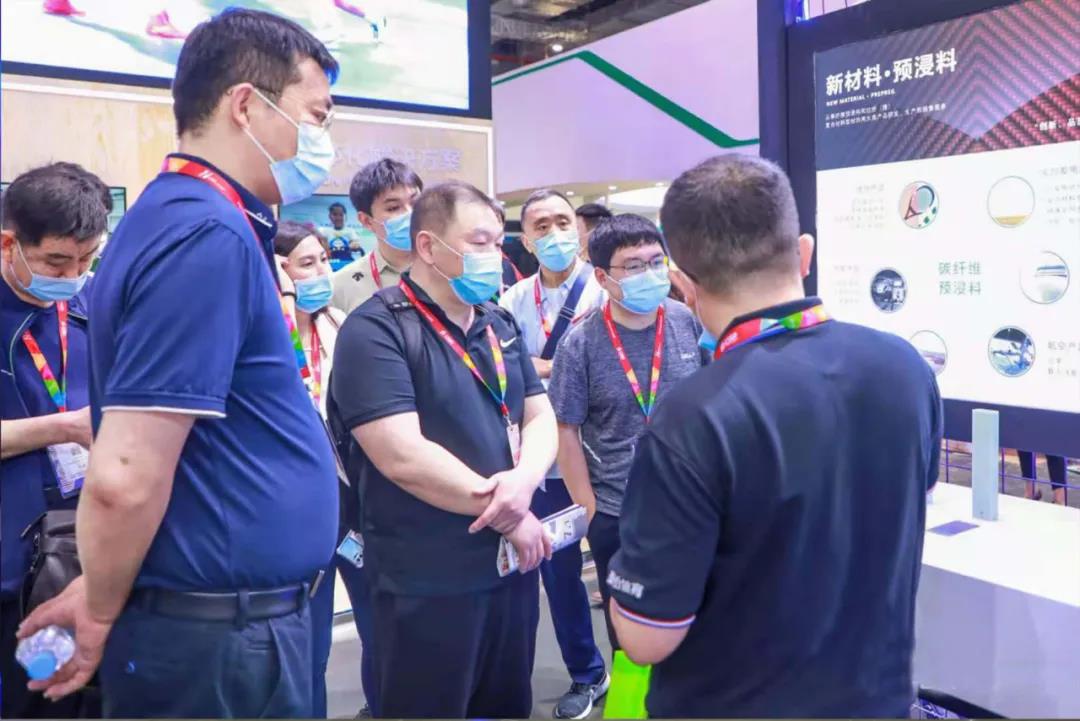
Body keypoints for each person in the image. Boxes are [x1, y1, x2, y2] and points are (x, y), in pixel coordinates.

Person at [17, 10, 341, 718]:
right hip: (218, 642)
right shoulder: (202, 231)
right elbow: (126, 474)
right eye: (316, 116)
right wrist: (100, 608)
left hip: (225, 626)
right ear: (246, 105)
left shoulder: (194, 219)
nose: (324, 139)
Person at [606, 155, 943, 718]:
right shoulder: (905, 367)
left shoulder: (694, 415)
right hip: (878, 700)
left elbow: (646, 638)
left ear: (682, 285)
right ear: (804, 252)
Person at [330, 181, 558, 718]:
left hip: (508, 568)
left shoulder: (496, 323)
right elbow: (402, 456)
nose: (493, 256)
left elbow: (539, 415)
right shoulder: (376, 330)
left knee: (507, 704)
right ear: (429, 247)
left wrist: (523, 482)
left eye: (497, 242)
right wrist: (508, 512)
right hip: (426, 579)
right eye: (479, 243)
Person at [547, 213, 705, 665]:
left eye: (656, 262)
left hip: (690, 506)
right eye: (634, 266)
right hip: (618, 512)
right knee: (631, 641)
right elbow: (566, 429)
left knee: (698, 628)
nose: (649, 274)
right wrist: (590, 510)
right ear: (603, 277)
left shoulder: (686, 322)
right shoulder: (580, 343)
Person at [0, 162, 110, 720]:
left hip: (85, 557)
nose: (73, 276)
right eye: (57, 262)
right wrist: (65, 427)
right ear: (8, 245)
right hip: (13, 570)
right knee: (28, 699)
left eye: (87, 260)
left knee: (80, 699)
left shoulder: (92, 308)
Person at [499, 189, 608, 719]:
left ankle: (649, 676)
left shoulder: (605, 292)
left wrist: (539, 368)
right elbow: (506, 374)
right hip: (540, 463)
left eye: (563, 222)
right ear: (526, 240)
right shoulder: (512, 301)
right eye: (541, 226)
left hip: (603, 458)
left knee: (622, 573)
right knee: (558, 574)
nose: (555, 234)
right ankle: (587, 673)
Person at [331, 158, 422, 315]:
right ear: (367, 221)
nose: (410, 214)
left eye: (416, 202)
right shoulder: (341, 284)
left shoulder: (451, 270)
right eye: (394, 208)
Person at [322, 201, 363, 271]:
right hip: (331, 265)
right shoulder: (324, 231)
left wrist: (354, 245)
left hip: (347, 264)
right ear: (330, 216)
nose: (338, 218)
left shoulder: (350, 231)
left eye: (341, 215)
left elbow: (356, 243)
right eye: (335, 214)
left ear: (345, 216)